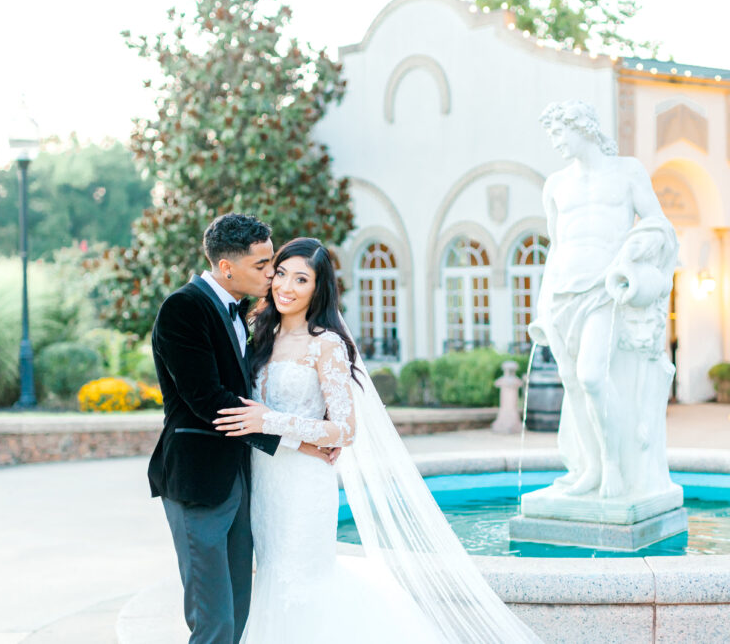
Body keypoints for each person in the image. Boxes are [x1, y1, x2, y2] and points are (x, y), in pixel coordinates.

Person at [213, 237, 541, 643]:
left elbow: (345, 429)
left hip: (303, 488)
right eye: (280, 273)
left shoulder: (326, 344)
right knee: (274, 579)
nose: (286, 286)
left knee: (303, 584)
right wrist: (288, 434)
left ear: (318, 289)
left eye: (301, 279)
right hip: (264, 482)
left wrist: (272, 420)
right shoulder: (259, 335)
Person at [148, 214, 333, 644]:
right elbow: (208, 401)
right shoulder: (183, 308)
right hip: (199, 482)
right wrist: (297, 440)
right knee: (213, 621)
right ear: (226, 267)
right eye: (263, 265)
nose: (272, 274)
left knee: (241, 612)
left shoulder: (245, 315)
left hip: (241, 481)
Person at [528, 100, 677, 499]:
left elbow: (658, 223)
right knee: (574, 385)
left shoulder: (627, 171)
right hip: (562, 294)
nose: (555, 141)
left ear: (582, 128)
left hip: (603, 291)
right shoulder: (555, 185)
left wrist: (632, 255)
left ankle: (615, 462)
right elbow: (556, 248)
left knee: (592, 376)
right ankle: (590, 468)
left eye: (559, 132)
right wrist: (543, 306)